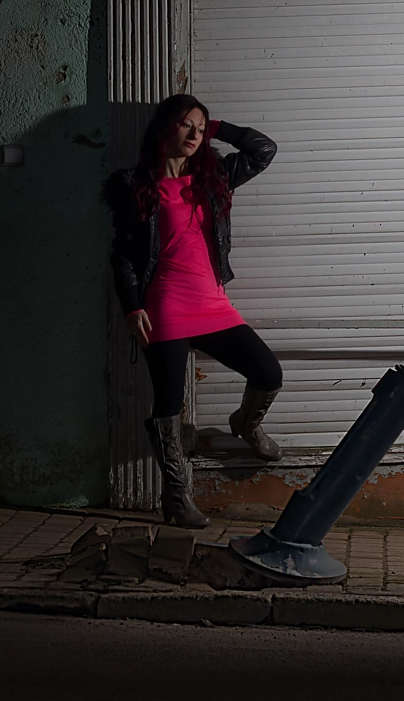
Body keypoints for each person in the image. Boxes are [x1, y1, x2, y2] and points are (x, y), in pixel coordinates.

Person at [104, 95, 282, 528]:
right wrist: (132, 307)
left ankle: (244, 421)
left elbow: (264, 150)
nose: (194, 135)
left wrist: (216, 124)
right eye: (185, 125)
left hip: (213, 305)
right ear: (164, 128)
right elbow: (123, 255)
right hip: (165, 305)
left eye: (200, 129)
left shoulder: (215, 177)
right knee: (167, 405)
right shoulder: (135, 186)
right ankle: (177, 498)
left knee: (268, 373)